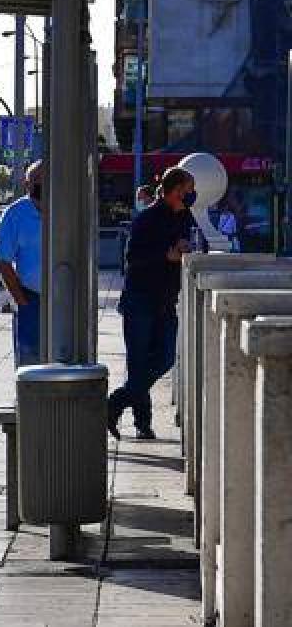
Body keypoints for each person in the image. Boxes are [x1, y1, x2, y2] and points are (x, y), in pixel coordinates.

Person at [108, 167, 196, 440]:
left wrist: (185, 248)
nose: (192, 194)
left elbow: (190, 243)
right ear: (175, 190)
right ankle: (142, 423)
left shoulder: (185, 217)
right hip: (140, 300)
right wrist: (165, 255)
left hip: (166, 300)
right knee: (138, 363)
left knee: (165, 358)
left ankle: (114, 404)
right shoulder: (146, 219)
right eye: (188, 188)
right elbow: (132, 259)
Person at [0, 161, 44, 367]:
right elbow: (3, 261)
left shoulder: (67, 210)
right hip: (30, 298)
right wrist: (21, 301)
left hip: (64, 299)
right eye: (35, 180)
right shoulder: (15, 214)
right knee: (29, 364)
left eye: (45, 180)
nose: (40, 185)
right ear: (27, 184)